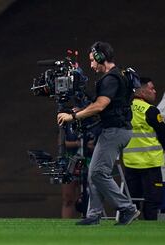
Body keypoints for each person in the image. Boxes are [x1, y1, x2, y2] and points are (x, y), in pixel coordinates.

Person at [57, 41, 140, 225]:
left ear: (101, 57)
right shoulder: (118, 75)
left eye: (93, 60)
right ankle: (94, 215)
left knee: (98, 173)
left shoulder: (110, 78)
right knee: (93, 173)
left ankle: (127, 208)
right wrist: (82, 109)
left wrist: (74, 116)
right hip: (116, 130)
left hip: (115, 131)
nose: (92, 65)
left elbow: (101, 105)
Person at [123, 77, 165, 220]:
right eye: (151, 88)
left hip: (130, 163)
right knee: (152, 203)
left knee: (132, 204)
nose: (154, 91)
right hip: (150, 164)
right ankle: (150, 235)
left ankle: (128, 235)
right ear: (141, 91)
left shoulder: (124, 108)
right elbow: (163, 136)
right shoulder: (151, 111)